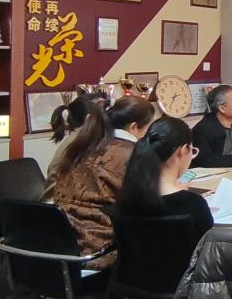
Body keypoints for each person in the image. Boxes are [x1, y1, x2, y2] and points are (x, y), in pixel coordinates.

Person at [52, 96, 156, 258]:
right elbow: (146, 207)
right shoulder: (133, 153)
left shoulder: (82, 145)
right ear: (134, 127)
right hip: (100, 250)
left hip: (59, 244)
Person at [118, 116, 214, 243]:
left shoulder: (126, 198)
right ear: (183, 151)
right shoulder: (193, 204)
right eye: (192, 151)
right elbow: (207, 247)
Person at [41, 92, 109, 201]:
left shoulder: (77, 138)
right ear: (89, 119)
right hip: (61, 207)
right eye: (105, 113)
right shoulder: (85, 143)